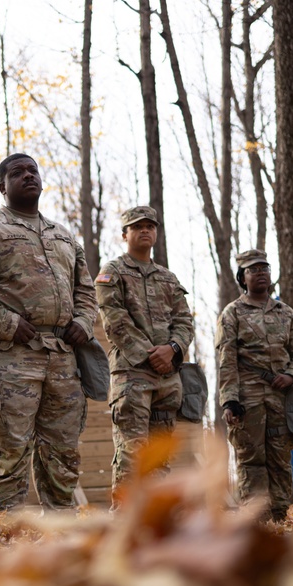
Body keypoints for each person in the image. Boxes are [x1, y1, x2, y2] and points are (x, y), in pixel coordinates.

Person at [0, 153, 98, 510]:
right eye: (17, 173)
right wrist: (7, 324)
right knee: (11, 451)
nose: (28, 176)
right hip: (10, 356)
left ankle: (61, 534)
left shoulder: (63, 236)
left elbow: (86, 289)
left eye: (33, 170)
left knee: (63, 453)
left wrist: (83, 322)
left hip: (63, 359)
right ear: (3, 187)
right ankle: (6, 536)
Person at [94, 207, 195, 503]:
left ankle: (157, 522)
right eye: (137, 227)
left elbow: (185, 321)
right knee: (132, 451)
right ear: (125, 234)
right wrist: (150, 355)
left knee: (159, 458)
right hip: (132, 375)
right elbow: (114, 320)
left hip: (168, 379)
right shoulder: (112, 272)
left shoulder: (168, 278)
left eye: (150, 226)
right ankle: (125, 523)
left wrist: (173, 349)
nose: (145, 231)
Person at [215, 249, 293, 521]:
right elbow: (227, 359)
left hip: (281, 399)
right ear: (242, 278)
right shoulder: (232, 313)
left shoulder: (286, 313)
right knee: (251, 461)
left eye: (264, 268)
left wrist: (292, 375)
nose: (260, 273)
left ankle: (280, 517)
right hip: (247, 399)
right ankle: (255, 520)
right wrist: (230, 400)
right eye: (253, 270)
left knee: (280, 460)